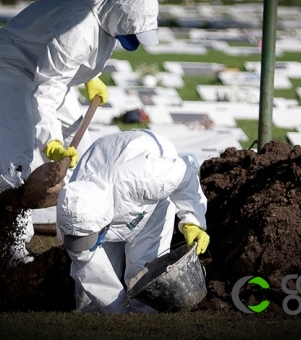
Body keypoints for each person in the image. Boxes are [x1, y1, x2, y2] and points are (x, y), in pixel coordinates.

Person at [0, 0, 160, 263]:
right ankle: (10, 243)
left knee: (83, 148)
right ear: (120, 19)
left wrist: (90, 76)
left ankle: (79, 231)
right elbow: (47, 88)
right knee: (17, 153)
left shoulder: (108, 0)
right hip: (10, 64)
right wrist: (50, 140)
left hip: (45, 67)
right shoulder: (79, 30)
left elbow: (70, 56)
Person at [56, 130, 210, 313]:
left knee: (143, 263)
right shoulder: (72, 209)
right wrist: (118, 312)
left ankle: (146, 315)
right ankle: (92, 316)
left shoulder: (149, 179)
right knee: (93, 285)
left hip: (149, 196)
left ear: (104, 222)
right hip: (106, 170)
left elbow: (186, 171)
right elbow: (90, 269)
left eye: (92, 235)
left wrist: (192, 220)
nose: (87, 244)